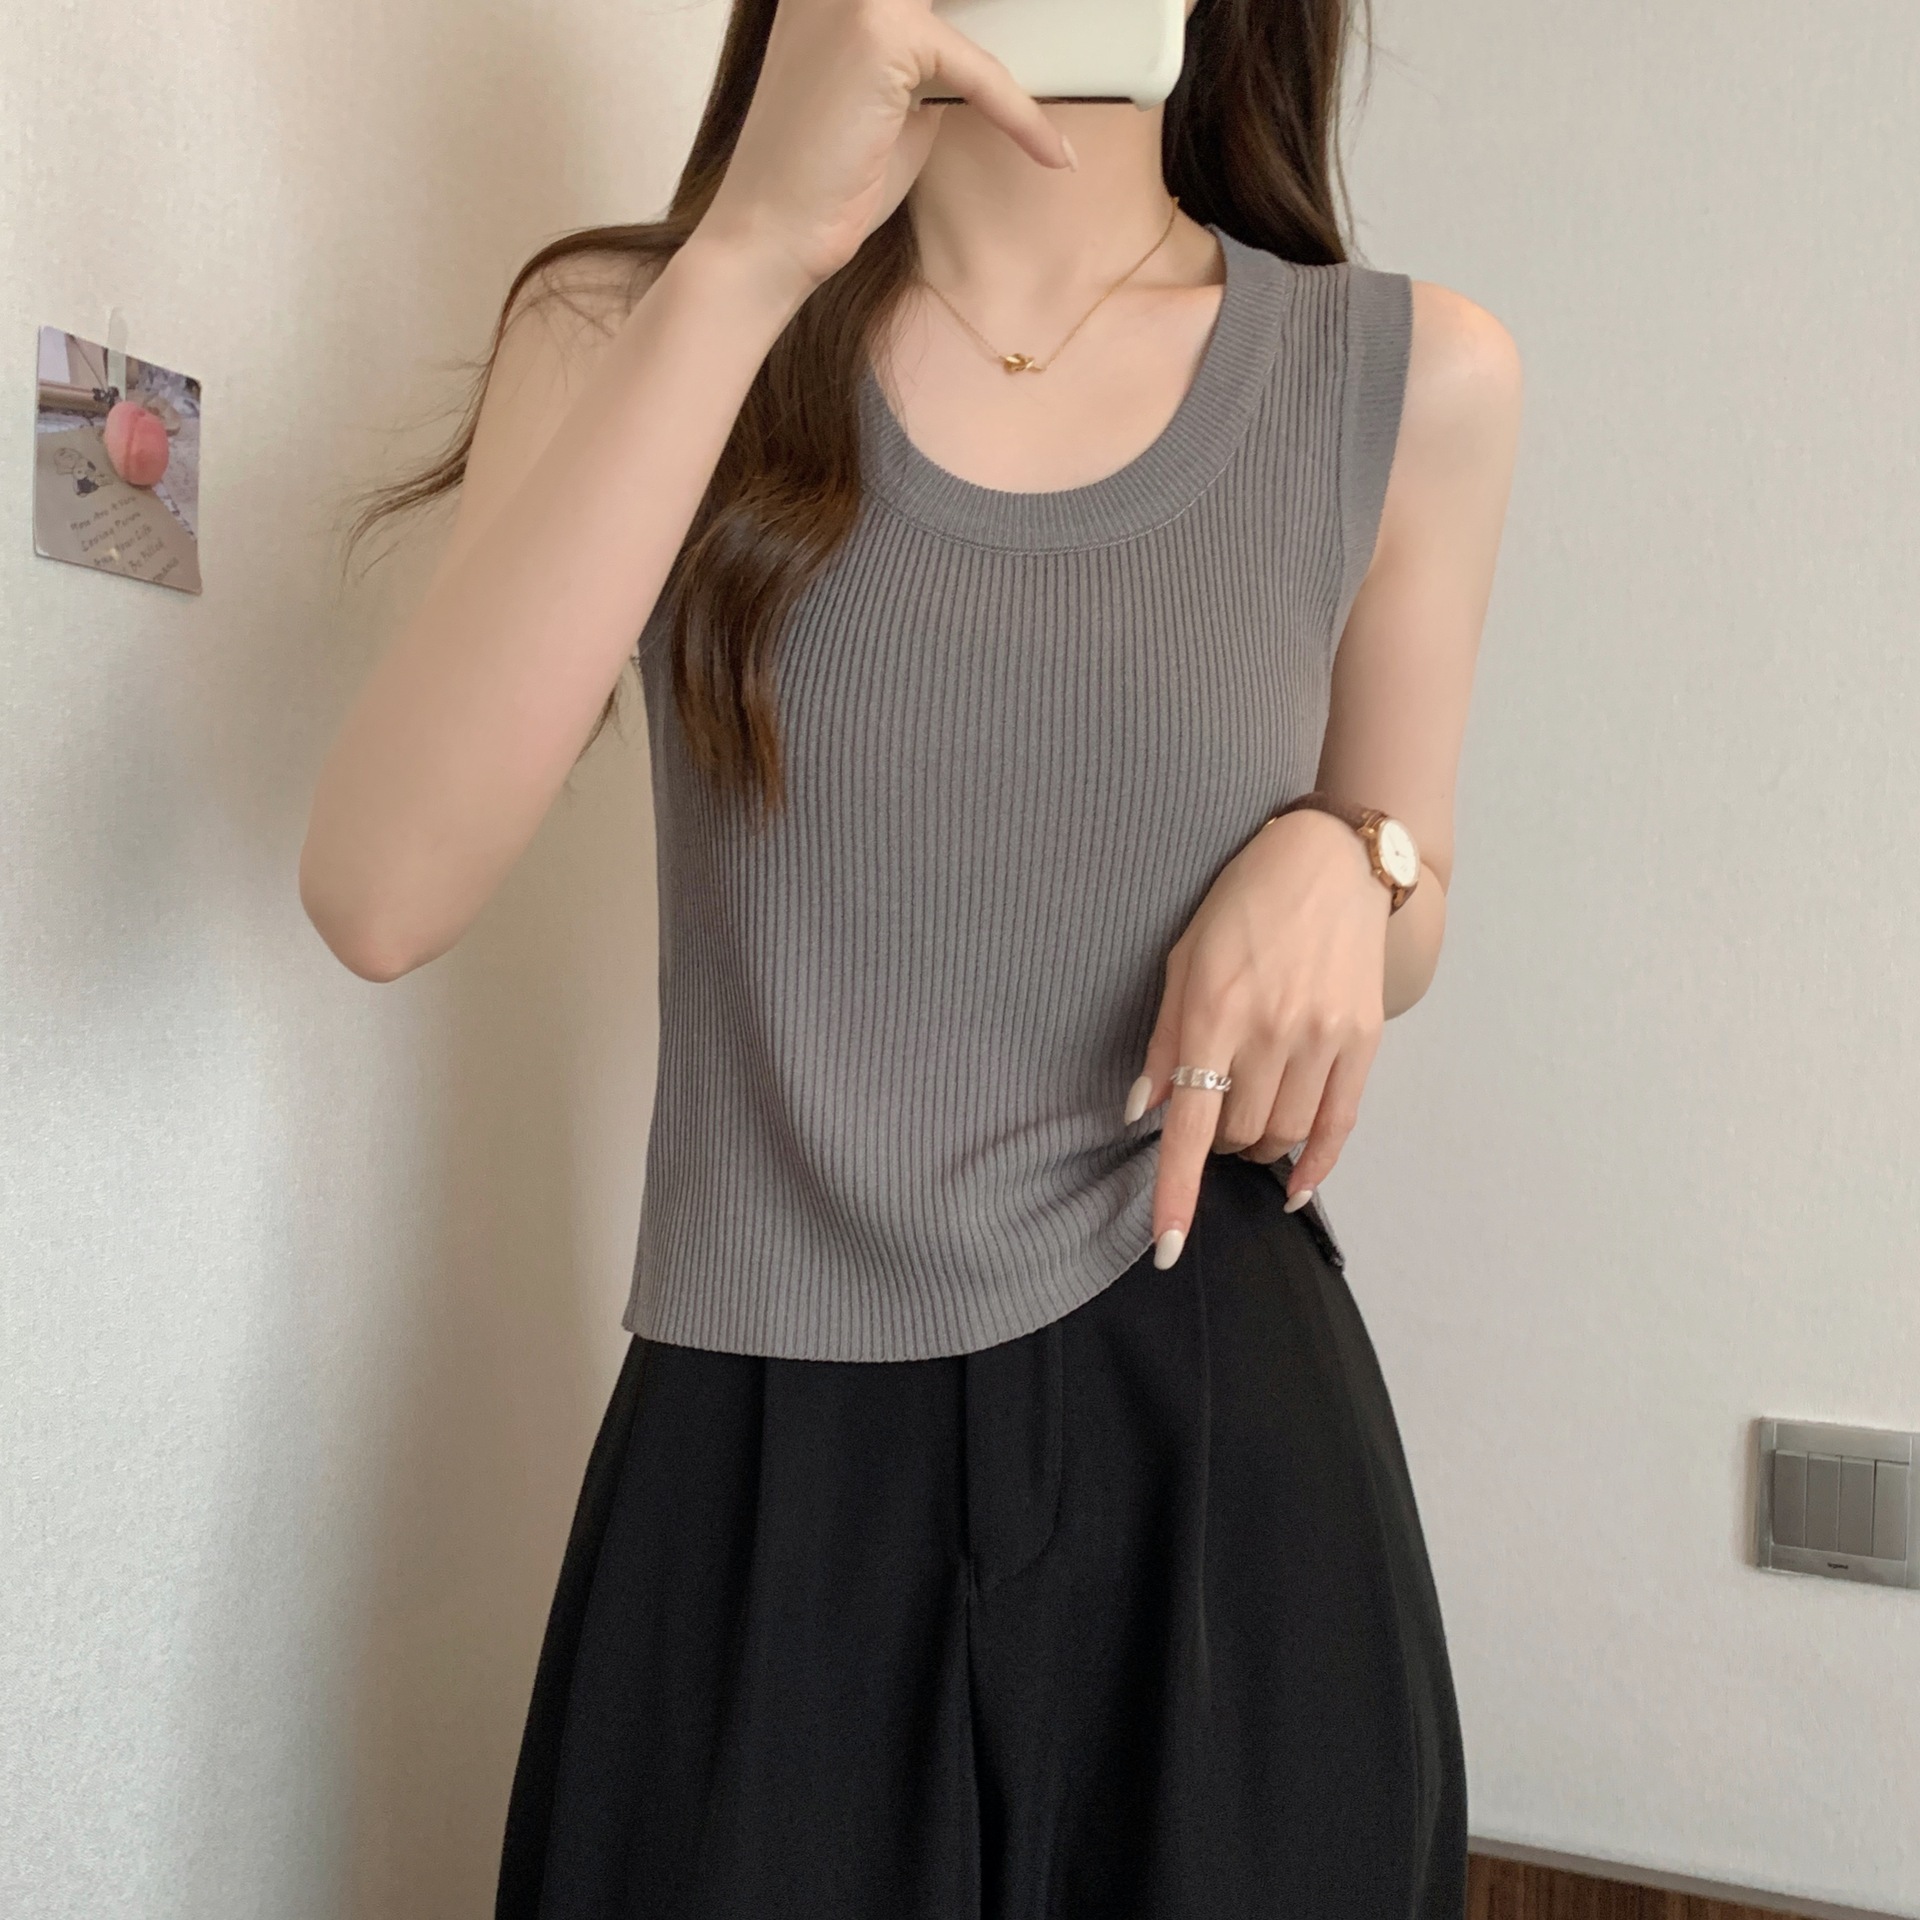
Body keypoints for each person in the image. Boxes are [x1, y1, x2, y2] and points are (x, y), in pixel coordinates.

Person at [302, 0, 1522, 1912]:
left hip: (1215, 1436)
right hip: (762, 1440)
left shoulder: (1406, 373)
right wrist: (753, 247)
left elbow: (1409, 878)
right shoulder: (634, 324)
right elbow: (382, 891)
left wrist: (1347, 863)